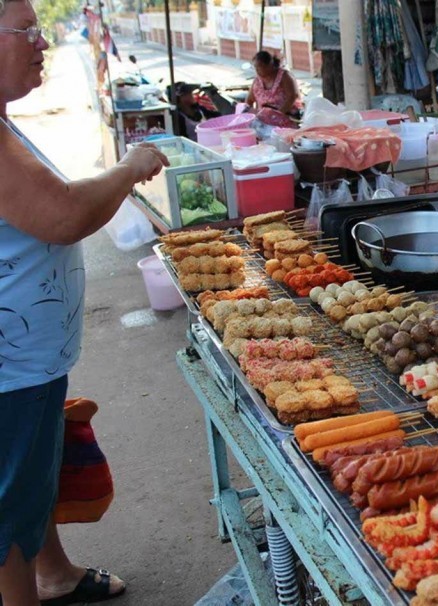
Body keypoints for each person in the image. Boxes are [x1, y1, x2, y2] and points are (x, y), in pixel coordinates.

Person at [0, 2, 168, 605]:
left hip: (26, 357)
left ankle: (53, 573)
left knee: (27, 484)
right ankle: (29, 580)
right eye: (24, 30)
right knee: (7, 519)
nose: (40, 41)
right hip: (9, 368)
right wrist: (129, 166)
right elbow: (64, 213)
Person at [246, 51, 303, 120]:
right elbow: (249, 101)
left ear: (269, 65)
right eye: (255, 67)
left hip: (286, 117)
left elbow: (292, 97)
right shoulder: (257, 81)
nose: (257, 70)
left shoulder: (284, 76)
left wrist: (276, 115)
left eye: (260, 67)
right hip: (264, 119)